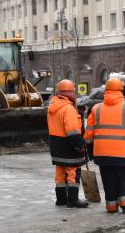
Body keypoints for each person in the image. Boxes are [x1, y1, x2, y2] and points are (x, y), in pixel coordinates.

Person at [84, 78, 125, 213]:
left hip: (102, 153)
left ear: (106, 91)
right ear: (121, 91)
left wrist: (87, 144)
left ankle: (111, 205)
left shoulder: (96, 108)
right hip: (122, 152)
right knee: (122, 176)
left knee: (108, 178)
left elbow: (88, 136)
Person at [47, 79, 89, 208]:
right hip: (68, 146)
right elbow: (72, 132)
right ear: (70, 93)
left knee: (60, 172)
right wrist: (80, 146)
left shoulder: (52, 107)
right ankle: (72, 200)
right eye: (73, 93)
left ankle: (61, 199)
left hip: (56, 146)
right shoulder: (68, 109)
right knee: (72, 172)